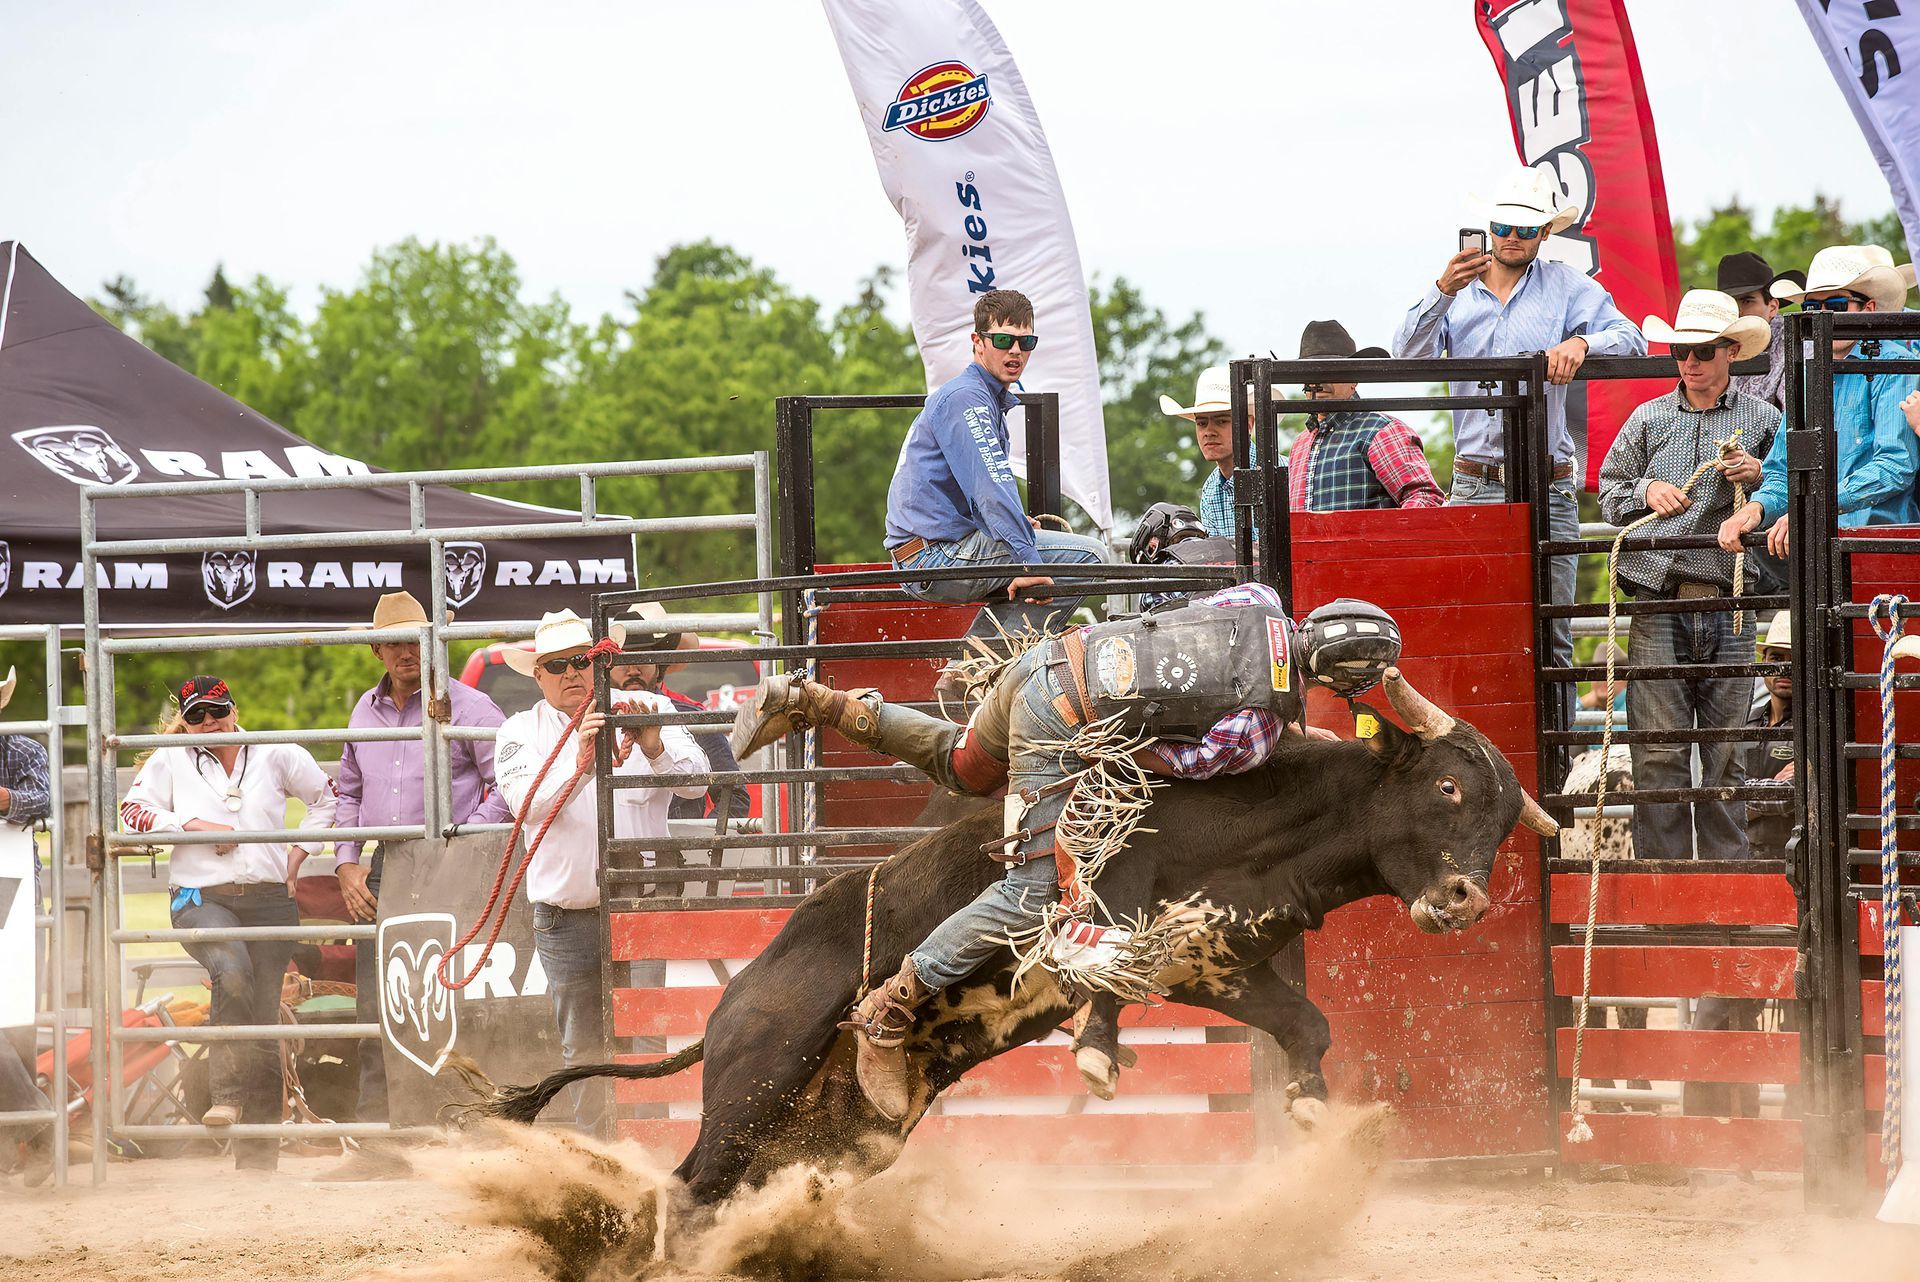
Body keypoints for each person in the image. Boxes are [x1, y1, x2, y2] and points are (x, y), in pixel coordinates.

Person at [730, 586, 1396, 1121]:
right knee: (1032, 889)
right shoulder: (1260, 723)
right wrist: (1114, 752)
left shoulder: (1255, 601)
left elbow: (1168, 618)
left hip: (1047, 661)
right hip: (1068, 721)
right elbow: (1192, 763)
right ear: (1341, 677)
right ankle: (889, 1007)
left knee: (966, 765)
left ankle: (821, 701)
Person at [1393, 167, 1647, 714]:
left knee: (1552, 633)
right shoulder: (1455, 291)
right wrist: (1441, 290)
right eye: (1502, 225)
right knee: (1472, 627)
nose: (1511, 236)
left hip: (1546, 483)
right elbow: (1406, 359)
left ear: (1544, 235)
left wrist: (1582, 342)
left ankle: (1552, 769)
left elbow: (1629, 337)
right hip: (1476, 478)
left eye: (1524, 229)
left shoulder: (1566, 286)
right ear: (1487, 228)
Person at [321, 591, 511, 1181]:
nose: (407, 651)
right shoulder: (364, 711)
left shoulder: (474, 708)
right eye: (395, 642)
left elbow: (510, 783)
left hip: (455, 865)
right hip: (387, 865)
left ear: (435, 645)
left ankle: (467, 1136)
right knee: (382, 1004)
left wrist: (461, 837)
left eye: (417, 640)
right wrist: (347, 862)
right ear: (377, 650)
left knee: (457, 1005)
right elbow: (347, 791)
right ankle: (382, 1141)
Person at [493, 610, 707, 1134]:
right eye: (557, 664)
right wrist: (579, 763)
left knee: (647, 1036)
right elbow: (523, 803)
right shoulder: (519, 731)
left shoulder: (651, 708)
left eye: (582, 661)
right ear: (538, 675)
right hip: (567, 915)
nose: (572, 673)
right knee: (583, 1046)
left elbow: (699, 784)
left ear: (600, 664)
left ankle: (650, 1145)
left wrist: (653, 745)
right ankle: (602, 1155)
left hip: (640, 906)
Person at [119, 675, 339, 1172]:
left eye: (216, 710)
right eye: (196, 715)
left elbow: (331, 799)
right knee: (232, 970)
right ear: (185, 720)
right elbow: (132, 811)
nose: (209, 722)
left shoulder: (278, 754)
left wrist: (299, 852)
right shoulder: (170, 758)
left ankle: (257, 1161)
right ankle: (226, 1095)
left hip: (268, 899)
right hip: (201, 898)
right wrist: (191, 826)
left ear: (234, 709)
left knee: (262, 1021)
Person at [1598, 290, 1780, 860]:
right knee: (1658, 752)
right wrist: (1643, 490)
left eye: (1702, 351)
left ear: (1730, 351)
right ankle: (1668, 883)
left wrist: (1757, 476)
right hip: (1660, 597)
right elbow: (1608, 492)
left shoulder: (1764, 421)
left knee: (1725, 750)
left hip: (1729, 600)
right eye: (1681, 352)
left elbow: (1788, 487)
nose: (1690, 363)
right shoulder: (1647, 418)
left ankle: (1726, 880)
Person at [885, 289, 1111, 662]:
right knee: (1091, 557)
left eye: (1026, 342)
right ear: (978, 342)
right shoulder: (968, 399)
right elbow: (991, 489)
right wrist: (1025, 560)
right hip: (934, 556)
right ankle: (977, 669)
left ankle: (985, 668)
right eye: (1003, 340)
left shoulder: (976, 397)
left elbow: (972, 491)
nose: (1015, 351)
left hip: (928, 551)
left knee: (1043, 547)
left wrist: (1016, 527)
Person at [1719, 245, 1920, 557]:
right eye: (1813, 307)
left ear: (1867, 310)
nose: (1824, 316)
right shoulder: (1805, 374)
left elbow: (1895, 465)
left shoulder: (1894, 365)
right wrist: (1756, 508)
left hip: (1879, 545)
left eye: (1837, 305)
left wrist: (1814, 506)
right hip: (1818, 547)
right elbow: (1783, 467)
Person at [608, 602, 749, 827]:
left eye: (642, 657)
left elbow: (732, 793)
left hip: (677, 851)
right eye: (623, 658)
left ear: (658, 663)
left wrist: (699, 841)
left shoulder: (689, 715)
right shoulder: (590, 717)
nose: (632, 668)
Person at [1287, 320, 1443, 512]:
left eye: (1330, 370)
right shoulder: (1300, 444)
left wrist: (1388, 540)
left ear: (1354, 379)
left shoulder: (1381, 432)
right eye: (1310, 372)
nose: (1319, 382)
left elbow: (1423, 497)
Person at [0, 665, 55, 1188]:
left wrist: (3, 800)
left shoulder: (19, 751)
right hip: (11, 890)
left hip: (10, 896)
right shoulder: (21, 752)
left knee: (17, 1021)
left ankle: (23, 1141)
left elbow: (45, 800)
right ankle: (36, 1129)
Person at [1159, 366, 1241, 538]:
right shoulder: (1210, 489)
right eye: (1201, 423)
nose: (1208, 432)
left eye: (1221, 421)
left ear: (1247, 424)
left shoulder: (1283, 475)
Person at [1743, 611, 1796, 861]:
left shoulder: (1816, 725)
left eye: (1792, 659)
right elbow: (1718, 794)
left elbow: (1792, 795)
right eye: (1776, 657)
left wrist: (1743, 795)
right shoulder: (1744, 721)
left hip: (1796, 862)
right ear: (1763, 661)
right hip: (1744, 858)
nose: (1784, 667)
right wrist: (1773, 787)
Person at [1717, 251, 1789, 410]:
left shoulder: (1792, 342)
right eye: (1730, 303)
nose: (1738, 311)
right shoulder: (1712, 340)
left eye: (1747, 301)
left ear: (1772, 307)